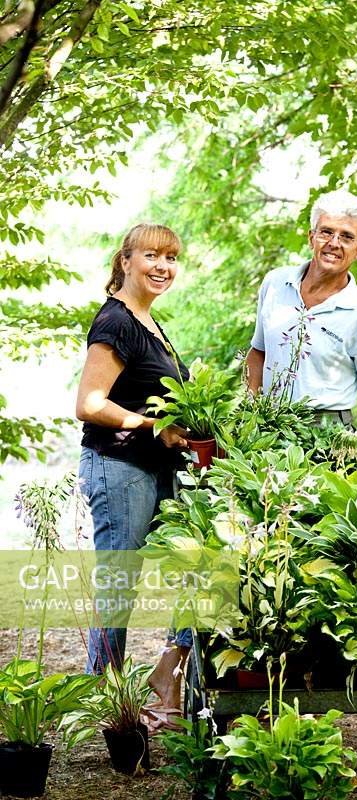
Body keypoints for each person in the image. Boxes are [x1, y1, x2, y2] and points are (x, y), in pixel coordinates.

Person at [76, 222, 191, 723]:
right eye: (151, 256)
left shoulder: (151, 325)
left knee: (202, 563)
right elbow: (88, 403)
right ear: (126, 261)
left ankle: (167, 674)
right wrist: (154, 425)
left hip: (157, 472)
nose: (162, 266)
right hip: (119, 467)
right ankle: (108, 705)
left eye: (170, 257)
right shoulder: (117, 322)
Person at [246, 189, 357, 470]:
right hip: (267, 428)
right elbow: (258, 353)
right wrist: (247, 413)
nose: (334, 243)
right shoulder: (275, 283)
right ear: (311, 237)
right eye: (326, 232)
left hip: (328, 438)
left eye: (347, 237)